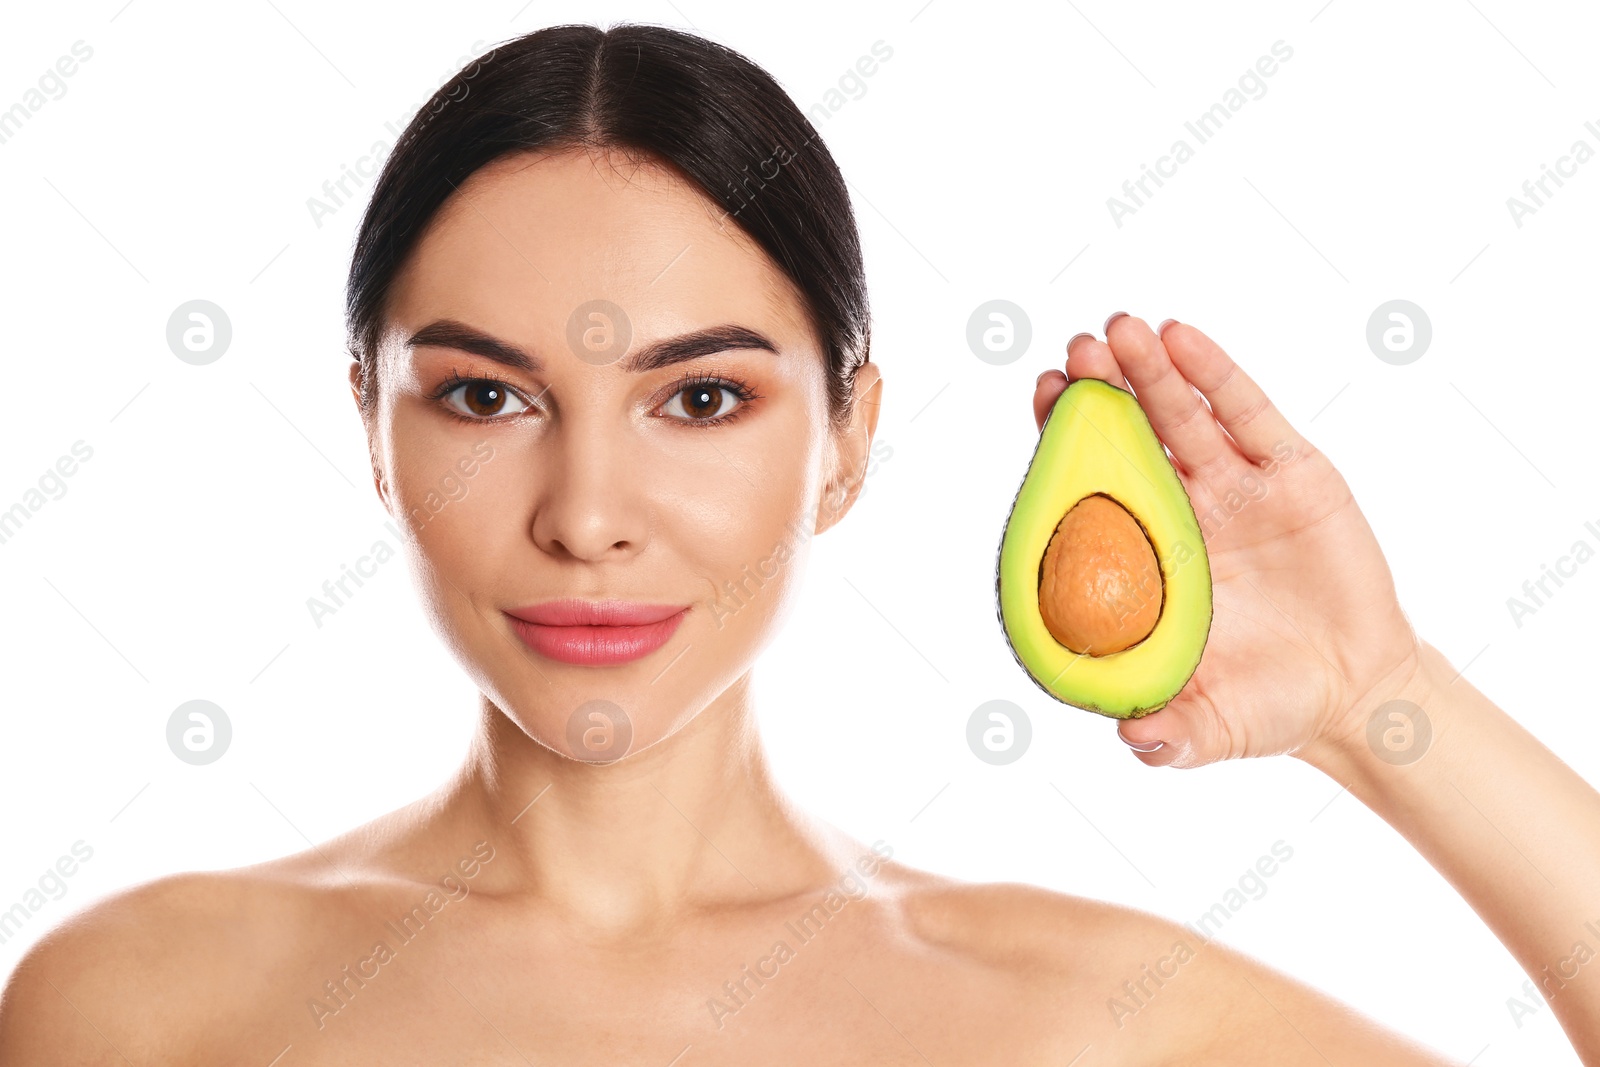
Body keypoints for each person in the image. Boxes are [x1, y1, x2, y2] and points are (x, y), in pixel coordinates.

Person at [2, 22, 1596, 1065]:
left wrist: (1382, 701)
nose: (587, 513)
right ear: (370, 425)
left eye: (699, 398)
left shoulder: (1081, 1023)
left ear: (848, 440)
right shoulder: (142, 1005)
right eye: (487, 395)